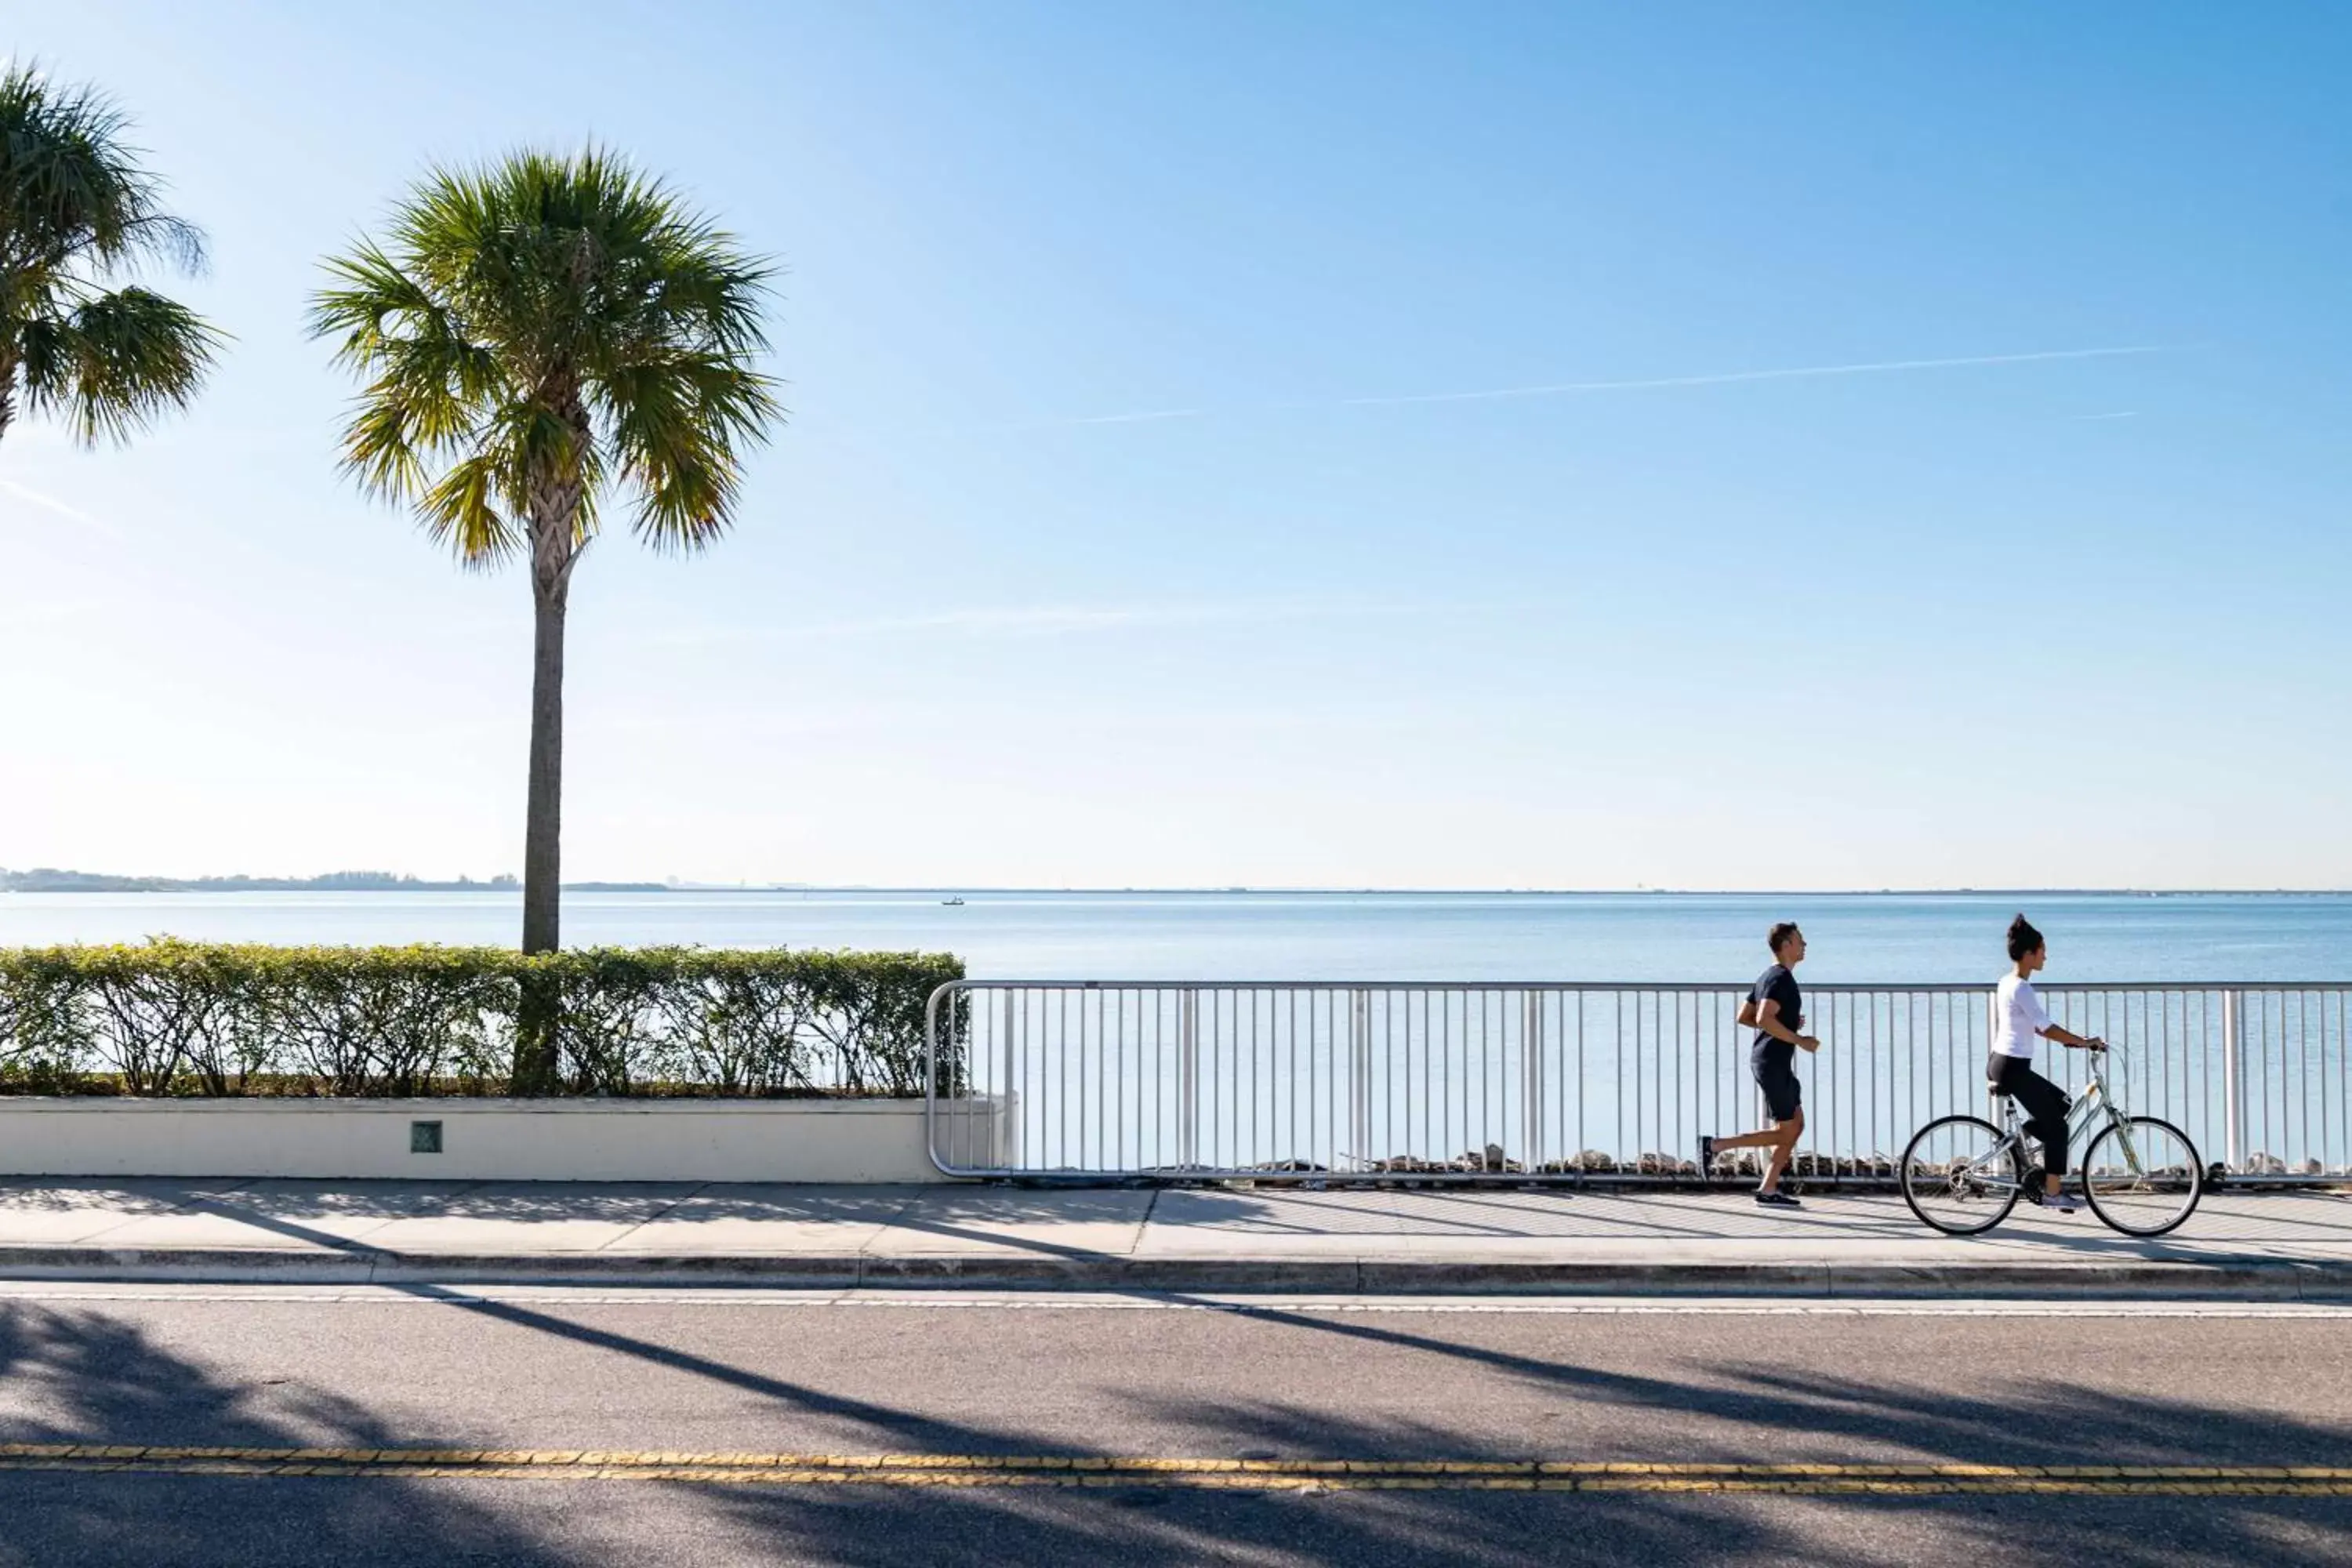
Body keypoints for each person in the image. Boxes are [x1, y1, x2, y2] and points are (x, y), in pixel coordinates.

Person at [1991, 913, 2105, 1213]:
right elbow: (2044, 1026)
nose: (2046, 956)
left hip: (2004, 1062)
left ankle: (2022, 1143)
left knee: (2064, 1104)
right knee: (2057, 1129)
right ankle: (2053, 1192)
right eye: (2042, 950)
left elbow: (2027, 1026)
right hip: (2012, 1068)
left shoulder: (2007, 982)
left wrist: (2070, 1040)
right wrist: (2083, 1041)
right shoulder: (2021, 988)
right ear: (2029, 954)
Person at [1700, 922, 1818, 1208]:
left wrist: (1786, 1022)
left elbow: (1745, 1016)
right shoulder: (1780, 979)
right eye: (1800, 940)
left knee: (1796, 1125)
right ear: (1787, 944)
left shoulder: (1769, 975)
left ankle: (1768, 1189)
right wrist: (1799, 1039)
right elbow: (1764, 1019)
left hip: (1772, 1061)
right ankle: (1715, 1146)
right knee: (1788, 1130)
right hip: (1772, 1063)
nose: (1805, 945)